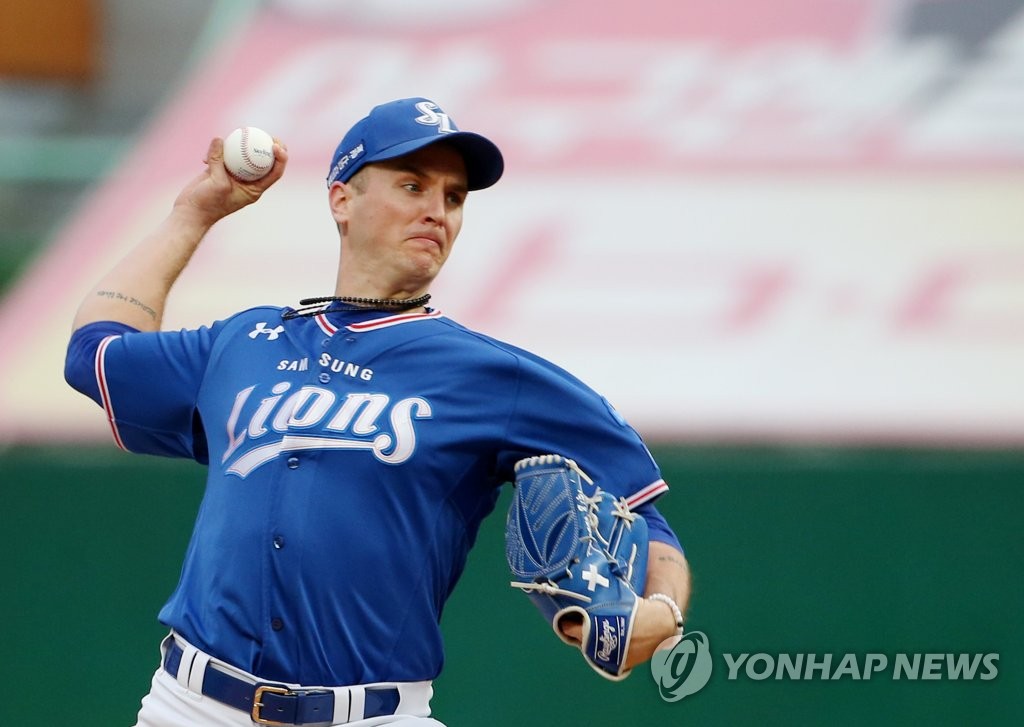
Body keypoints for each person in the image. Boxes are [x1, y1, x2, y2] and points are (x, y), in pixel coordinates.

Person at [65, 97, 691, 727]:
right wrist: (193, 214)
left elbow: (644, 512)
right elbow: (95, 354)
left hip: (373, 715)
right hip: (192, 706)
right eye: (413, 185)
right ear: (342, 200)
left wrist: (662, 611)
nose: (436, 210)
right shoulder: (245, 342)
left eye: (453, 197)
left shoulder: (494, 377)